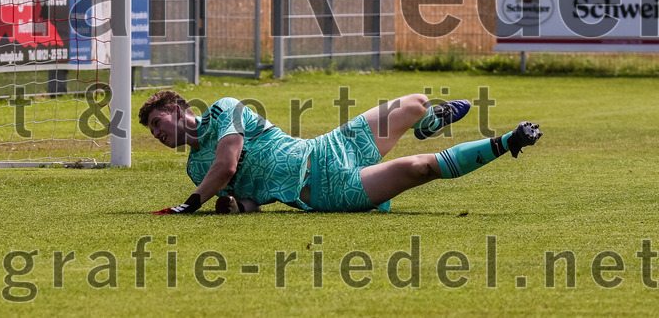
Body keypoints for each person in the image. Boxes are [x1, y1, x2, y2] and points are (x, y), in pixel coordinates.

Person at [140, 90, 542, 214]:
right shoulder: (196, 169)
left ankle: (428, 123)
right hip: (328, 189)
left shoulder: (225, 109)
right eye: (153, 131)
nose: (157, 134)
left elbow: (227, 165)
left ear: (177, 110)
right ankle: (509, 141)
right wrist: (236, 207)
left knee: (417, 102)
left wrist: (189, 207)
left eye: (158, 123)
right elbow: (247, 199)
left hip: (330, 145)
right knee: (421, 169)